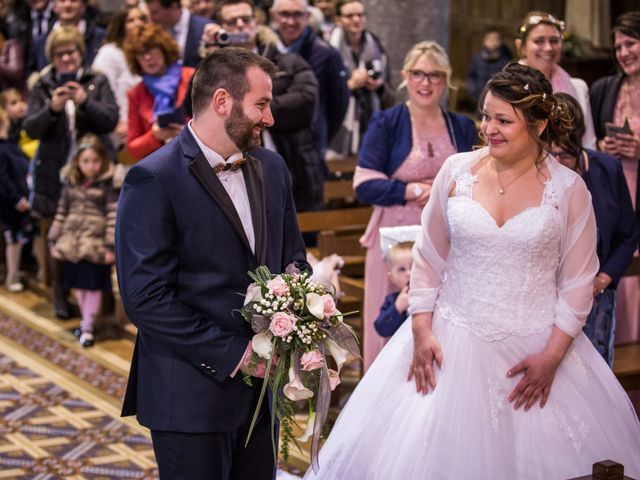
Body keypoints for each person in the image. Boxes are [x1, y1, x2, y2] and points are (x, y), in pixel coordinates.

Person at [304, 62, 640, 480]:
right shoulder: (456, 171)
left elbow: (577, 283)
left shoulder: (568, 190)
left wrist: (553, 357)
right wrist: (422, 329)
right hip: (449, 339)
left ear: (537, 124)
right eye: (485, 116)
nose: (489, 129)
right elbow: (428, 256)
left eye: (503, 120)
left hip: (536, 347)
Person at [116, 47, 309, 479]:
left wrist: (300, 314)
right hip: (189, 396)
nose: (270, 118)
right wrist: (238, 355)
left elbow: (294, 258)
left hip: (262, 397)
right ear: (222, 101)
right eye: (261, 104)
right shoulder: (153, 178)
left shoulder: (272, 167)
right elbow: (145, 298)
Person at [354, 40, 476, 370]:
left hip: (448, 239)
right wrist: (413, 189)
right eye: (419, 74)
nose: (426, 83)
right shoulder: (387, 122)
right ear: (406, 76)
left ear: (446, 80)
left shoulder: (461, 126)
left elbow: (476, 179)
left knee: (443, 323)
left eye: (435, 75)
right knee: (391, 324)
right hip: (395, 244)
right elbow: (364, 184)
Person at [23, 26, 118, 319]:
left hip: (93, 173)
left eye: (72, 52)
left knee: (97, 236)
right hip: (55, 174)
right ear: (52, 56)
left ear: (81, 52)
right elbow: (31, 128)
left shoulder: (95, 81)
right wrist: (51, 109)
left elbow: (110, 119)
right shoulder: (42, 84)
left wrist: (85, 102)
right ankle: (60, 297)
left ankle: (101, 304)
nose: (67, 58)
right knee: (57, 237)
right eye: (60, 53)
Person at [198, 0, 323, 213]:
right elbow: (196, 109)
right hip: (235, 175)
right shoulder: (214, 69)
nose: (240, 25)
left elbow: (306, 103)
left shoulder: (289, 62)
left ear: (256, 22)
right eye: (231, 22)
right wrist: (209, 58)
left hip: (294, 167)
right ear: (222, 28)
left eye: (245, 19)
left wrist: (243, 109)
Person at [550, 92, 639, 366]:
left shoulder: (607, 168)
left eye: (565, 153)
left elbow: (628, 234)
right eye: (550, 152)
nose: (557, 161)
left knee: (595, 375)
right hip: (549, 299)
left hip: (598, 297)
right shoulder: (536, 173)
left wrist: (602, 280)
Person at [590, 11, 640, 345]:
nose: (623, 52)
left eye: (631, 43)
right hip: (615, 194)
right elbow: (588, 140)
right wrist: (602, 145)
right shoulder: (606, 88)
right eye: (618, 46)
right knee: (617, 263)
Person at [47, 134, 117, 347]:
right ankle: (86, 321)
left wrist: (110, 245)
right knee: (78, 285)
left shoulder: (108, 187)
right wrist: (53, 238)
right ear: (77, 161)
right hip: (72, 245)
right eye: (86, 161)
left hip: (94, 246)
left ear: (103, 161)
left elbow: (113, 217)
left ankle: (87, 326)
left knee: (93, 286)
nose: (91, 166)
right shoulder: (71, 185)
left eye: (95, 161)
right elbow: (61, 212)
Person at [270, 0, 349, 159]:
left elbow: (339, 103)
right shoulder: (266, 50)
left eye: (297, 14)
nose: (291, 21)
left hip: (310, 146)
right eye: (284, 14)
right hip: (274, 141)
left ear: (307, 16)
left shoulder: (326, 53)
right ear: (273, 16)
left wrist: (320, 131)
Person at [515, 10, 596, 149]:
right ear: (521, 47)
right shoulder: (508, 89)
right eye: (539, 41)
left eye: (554, 41)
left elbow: (588, 144)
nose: (548, 48)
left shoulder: (578, 88)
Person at [327, 0, 394, 158]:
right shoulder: (329, 49)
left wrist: (378, 85)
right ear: (338, 19)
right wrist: (349, 85)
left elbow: (390, 95)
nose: (356, 20)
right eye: (349, 16)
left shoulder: (376, 46)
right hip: (338, 130)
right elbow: (322, 96)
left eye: (360, 15)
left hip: (371, 122)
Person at [123, 23, 194, 161]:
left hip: (197, 158)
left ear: (163, 49)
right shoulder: (136, 93)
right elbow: (132, 149)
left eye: (150, 50)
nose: (147, 58)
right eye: (140, 54)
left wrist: (186, 132)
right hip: (161, 165)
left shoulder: (191, 76)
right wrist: (154, 136)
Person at [92, 5, 148, 149]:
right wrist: (116, 124)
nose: (138, 23)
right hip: (120, 131)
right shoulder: (109, 53)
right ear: (121, 26)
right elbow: (100, 93)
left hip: (146, 128)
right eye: (131, 20)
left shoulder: (148, 53)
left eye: (142, 18)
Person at [0, 106, 33, 292]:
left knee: (20, 239)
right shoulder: (2, 149)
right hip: (10, 204)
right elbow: (3, 178)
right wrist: (16, 199)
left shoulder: (12, 146)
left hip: (22, 197)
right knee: (13, 239)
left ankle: (16, 272)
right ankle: (12, 275)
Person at [29, 0, 107, 73]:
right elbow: (32, 73)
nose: (67, 5)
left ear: (84, 5)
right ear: (54, 5)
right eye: (62, 0)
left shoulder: (101, 38)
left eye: (73, 0)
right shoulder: (40, 42)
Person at [145, 0, 213, 68]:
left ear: (173, 6)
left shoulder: (206, 28)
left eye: (155, 12)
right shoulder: (158, 32)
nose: (151, 18)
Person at [374, 237, 414, 338]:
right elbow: (381, 328)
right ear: (392, 277)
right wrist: (397, 308)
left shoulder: (431, 295)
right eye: (402, 269)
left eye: (414, 266)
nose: (409, 273)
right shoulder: (392, 299)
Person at [466, 28, 512, 103]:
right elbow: (471, 76)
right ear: (484, 41)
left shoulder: (505, 60)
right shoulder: (476, 59)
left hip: (499, 97)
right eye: (491, 39)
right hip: (480, 96)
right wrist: (473, 90)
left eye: (496, 39)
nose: (493, 42)